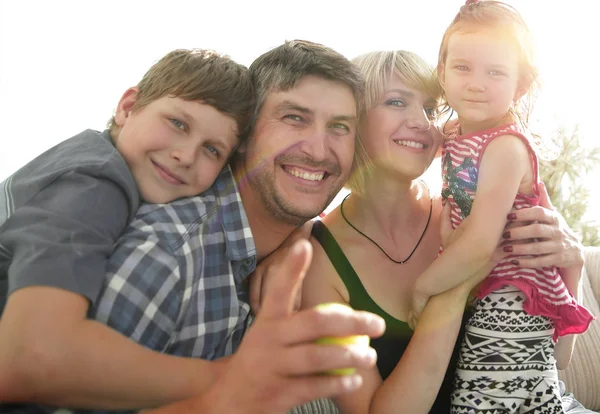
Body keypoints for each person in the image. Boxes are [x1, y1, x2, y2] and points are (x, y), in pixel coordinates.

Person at [0, 40, 386, 414]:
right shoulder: (159, 251)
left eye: (339, 127)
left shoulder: (298, 247)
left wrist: (300, 236)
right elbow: (34, 366)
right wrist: (226, 383)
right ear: (245, 138)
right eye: (294, 117)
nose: (318, 150)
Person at [300, 48, 593, 413]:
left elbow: (558, 356)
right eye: (396, 102)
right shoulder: (320, 263)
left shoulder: (475, 214)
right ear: (351, 118)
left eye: (430, 108)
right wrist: (454, 287)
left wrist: (572, 265)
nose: (422, 122)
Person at [410, 1, 595, 412]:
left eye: (495, 72)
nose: (476, 83)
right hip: (487, 288)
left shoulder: (505, 146)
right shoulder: (457, 132)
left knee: (484, 402)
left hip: (513, 293)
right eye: (462, 68)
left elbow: (480, 242)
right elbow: (415, 140)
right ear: (442, 73)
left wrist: (423, 286)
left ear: (520, 86)